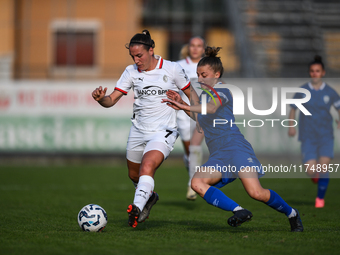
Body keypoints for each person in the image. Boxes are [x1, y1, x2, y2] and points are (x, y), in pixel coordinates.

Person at [162, 46, 303, 232]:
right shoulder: (206, 95)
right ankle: (239, 211)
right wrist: (182, 105)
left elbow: (211, 109)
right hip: (219, 154)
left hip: (236, 148)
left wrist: (184, 106)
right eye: (198, 74)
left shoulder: (223, 89)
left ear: (217, 74)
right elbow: (200, 118)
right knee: (197, 183)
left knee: (256, 192)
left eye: (204, 74)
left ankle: (292, 214)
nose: (200, 78)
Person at [92, 30, 192, 228]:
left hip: (164, 130)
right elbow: (111, 100)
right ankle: (150, 196)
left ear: (151, 50)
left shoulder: (172, 69)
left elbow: (194, 97)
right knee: (134, 175)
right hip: (138, 130)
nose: (136, 60)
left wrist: (187, 107)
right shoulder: (130, 72)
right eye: (133, 56)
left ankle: (136, 208)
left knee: (148, 166)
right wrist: (101, 98)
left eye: (140, 55)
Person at [288, 55, 340, 208]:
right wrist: (291, 126)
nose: (315, 73)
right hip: (307, 136)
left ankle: (320, 199)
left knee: (324, 167)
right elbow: (293, 109)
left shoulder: (330, 92)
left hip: (325, 136)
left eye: (317, 71)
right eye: (312, 71)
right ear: (310, 73)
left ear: (323, 72)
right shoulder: (303, 91)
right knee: (311, 171)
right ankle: (315, 175)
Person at [176, 37, 206, 200]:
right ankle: (192, 171)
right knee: (189, 151)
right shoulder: (179, 65)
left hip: (202, 112)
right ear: (188, 48)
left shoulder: (208, 65)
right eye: (192, 45)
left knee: (195, 147)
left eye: (199, 46)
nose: (195, 49)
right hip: (183, 113)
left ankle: (192, 185)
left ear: (203, 48)